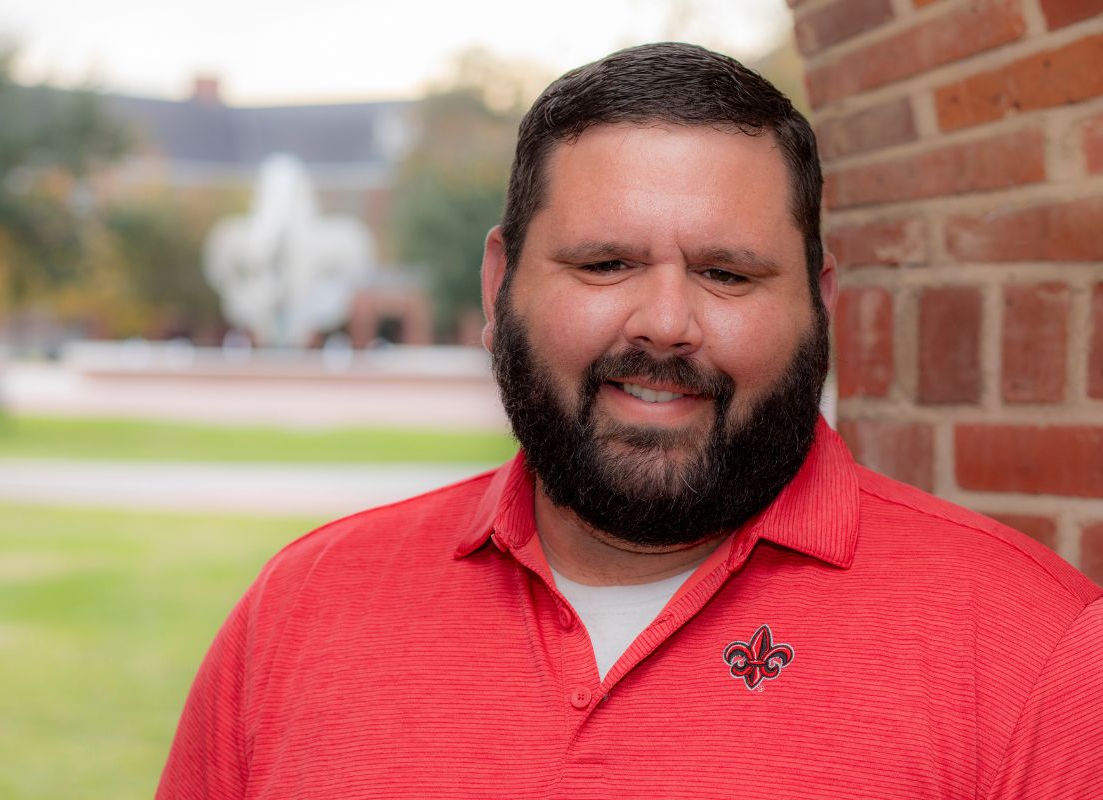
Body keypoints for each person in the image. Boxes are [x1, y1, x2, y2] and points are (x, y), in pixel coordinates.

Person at [157, 43, 1103, 799]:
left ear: (820, 303)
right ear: (498, 286)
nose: (664, 322)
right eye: (605, 263)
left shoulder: (1037, 654)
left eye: (727, 273)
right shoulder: (298, 612)